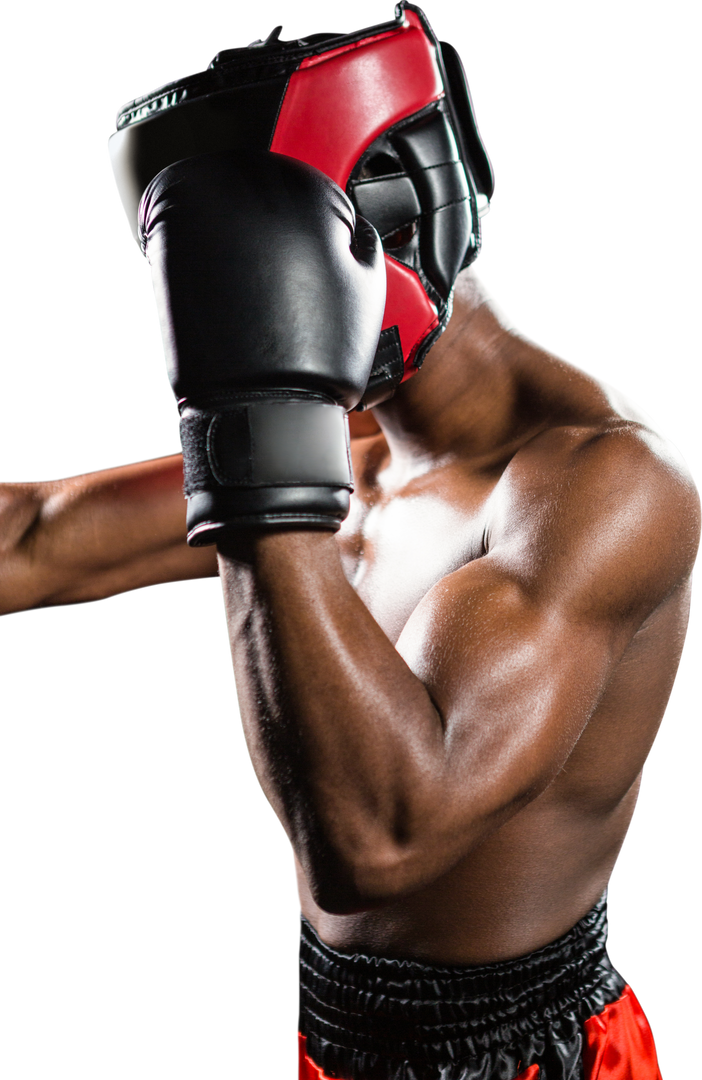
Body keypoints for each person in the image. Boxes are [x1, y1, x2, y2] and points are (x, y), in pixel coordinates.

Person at [1, 5, 697, 1077]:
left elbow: (379, 845)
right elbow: (38, 537)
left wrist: (256, 430)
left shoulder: (603, 483)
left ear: (396, 213)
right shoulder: (353, 456)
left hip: (529, 1060)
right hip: (330, 1038)